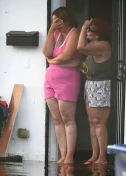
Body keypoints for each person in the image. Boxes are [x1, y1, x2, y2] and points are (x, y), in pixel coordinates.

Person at [42, 7, 81, 164]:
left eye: (55, 21)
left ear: (63, 20)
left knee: (67, 118)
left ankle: (70, 156)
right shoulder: (55, 33)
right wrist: (51, 32)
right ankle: (63, 154)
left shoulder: (75, 33)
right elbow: (46, 52)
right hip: (50, 80)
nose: (54, 23)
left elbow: (66, 56)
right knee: (57, 119)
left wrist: (52, 61)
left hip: (67, 81)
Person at [77, 18, 113, 165]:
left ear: (99, 33)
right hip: (90, 85)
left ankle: (102, 157)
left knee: (99, 122)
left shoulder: (103, 45)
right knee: (92, 122)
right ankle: (94, 155)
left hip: (100, 86)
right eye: (88, 29)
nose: (88, 32)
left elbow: (79, 47)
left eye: (91, 30)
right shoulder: (92, 46)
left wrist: (83, 26)